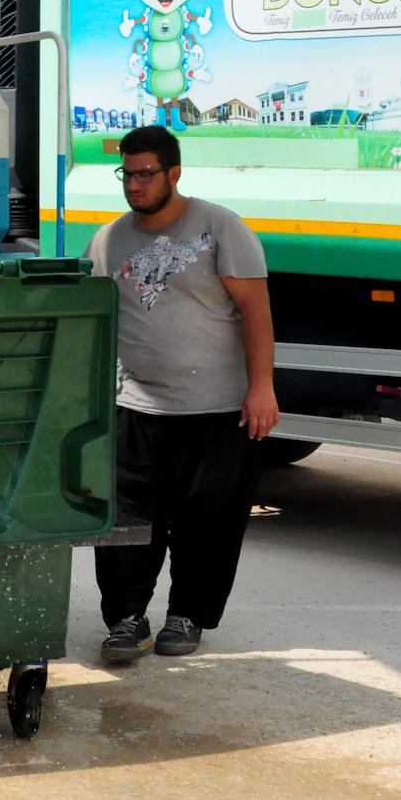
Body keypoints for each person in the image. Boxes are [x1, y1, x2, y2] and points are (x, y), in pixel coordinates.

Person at [89, 125, 279, 662]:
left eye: (145, 174)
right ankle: (126, 619)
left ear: (174, 172)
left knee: (208, 521)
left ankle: (187, 616)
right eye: (127, 174)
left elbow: (255, 311)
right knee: (126, 519)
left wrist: (262, 388)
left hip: (216, 409)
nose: (134, 184)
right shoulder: (108, 239)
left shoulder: (220, 228)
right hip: (136, 406)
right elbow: (97, 316)